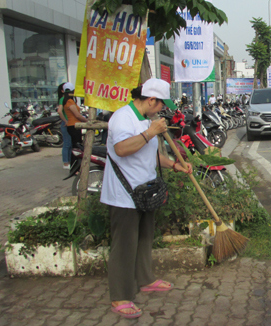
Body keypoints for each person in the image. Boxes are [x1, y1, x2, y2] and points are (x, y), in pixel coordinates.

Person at [100, 78, 193, 319]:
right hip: (124, 195)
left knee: (144, 237)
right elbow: (121, 149)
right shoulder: (123, 117)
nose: (162, 109)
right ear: (151, 99)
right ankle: (120, 296)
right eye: (161, 104)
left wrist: (174, 165)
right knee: (124, 246)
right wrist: (150, 132)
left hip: (145, 192)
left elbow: (150, 155)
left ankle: (145, 279)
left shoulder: (145, 120)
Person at [62, 83, 88, 167]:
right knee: (77, 148)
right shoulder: (69, 101)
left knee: (75, 146)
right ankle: (75, 166)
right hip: (74, 126)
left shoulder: (67, 101)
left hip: (73, 125)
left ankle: (75, 166)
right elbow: (77, 115)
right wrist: (87, 121)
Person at [56, 83, 72, 169]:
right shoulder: (63, 99)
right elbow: (59, 111)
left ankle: (68, 161)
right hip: (66, 124)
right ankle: (66, 163)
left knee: (70, 144)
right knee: (67, 143)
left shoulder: (67, 99)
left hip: (69, 123)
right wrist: (65, 120)